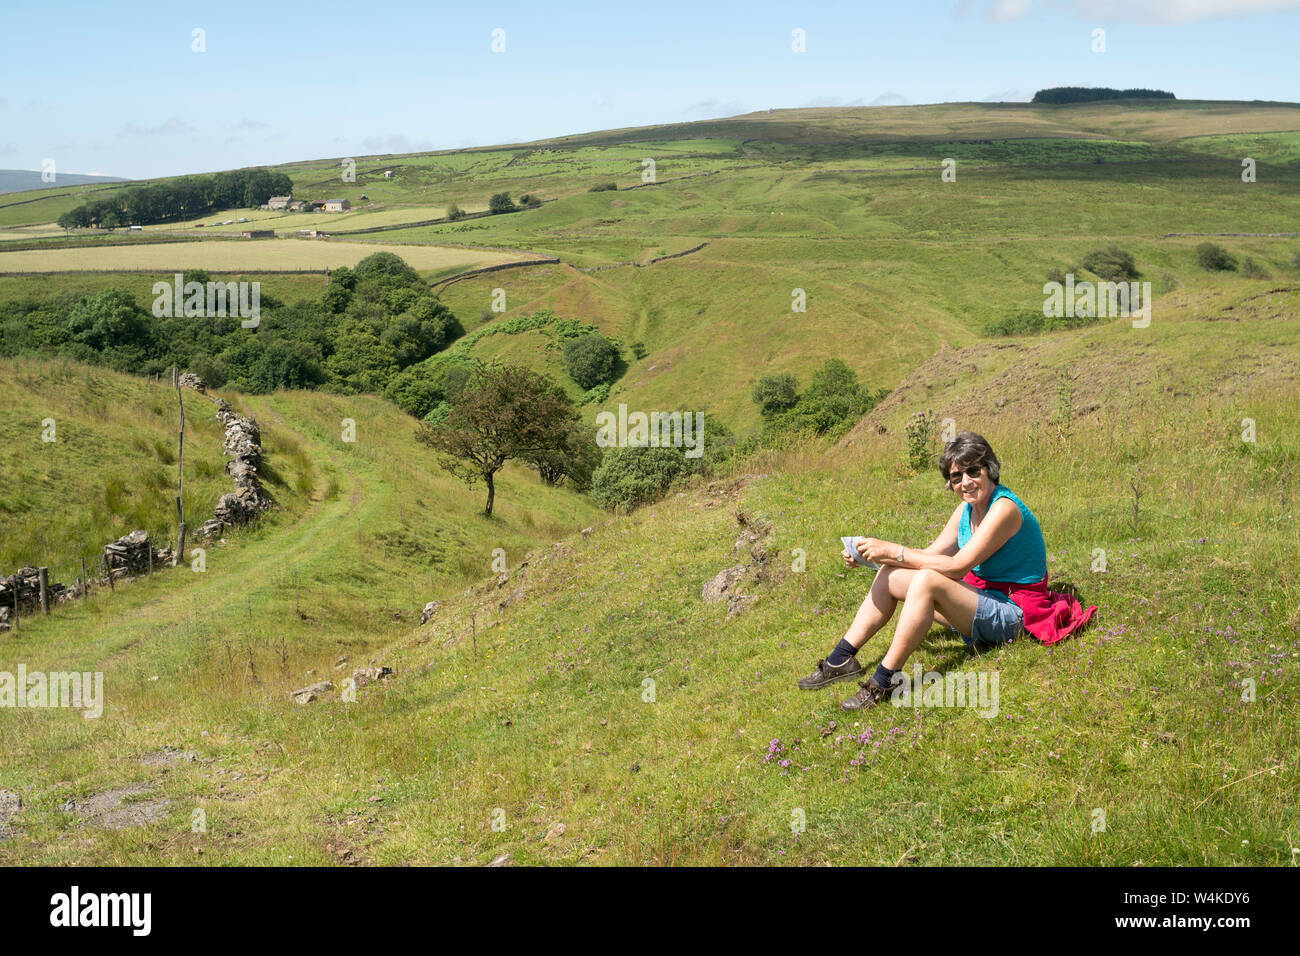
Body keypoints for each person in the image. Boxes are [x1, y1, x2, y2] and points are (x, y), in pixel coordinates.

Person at [796, 431, 1097, 710]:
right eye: (956, 477)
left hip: (1015, 612)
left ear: (990, 469)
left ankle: (883, 682)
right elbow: (928, 555)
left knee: (926, 580)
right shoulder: (966, 510)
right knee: (891, 573)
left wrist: (894, 550)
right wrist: (873, 558)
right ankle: (840, 661)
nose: (965, 482)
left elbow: (956, 566)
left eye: (973, 471)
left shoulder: (1004, 508)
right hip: (981, 597)